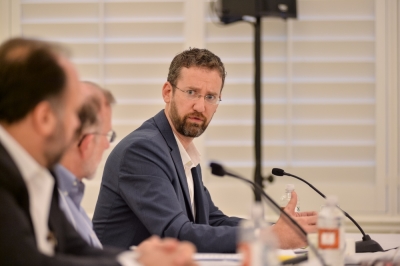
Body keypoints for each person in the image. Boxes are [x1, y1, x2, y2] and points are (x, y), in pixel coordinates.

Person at [93, 48, 318, 253]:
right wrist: (269, 237)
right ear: (167, 92)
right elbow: (177, 234)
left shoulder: (181, 149)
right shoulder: (142, 150)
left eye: (210, 97)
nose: (200, 107)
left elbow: (212, 220)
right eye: (191, 92)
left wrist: (282, 229)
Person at [0, 37, 196, 266]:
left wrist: (138, 258)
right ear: (44, 118)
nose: (78, 127)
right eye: (74, 113)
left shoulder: (39, 173)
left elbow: (74, 248)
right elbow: (28, 261)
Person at [54, 81, 115, 248]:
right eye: (106, 135)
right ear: (87, 142)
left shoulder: (71, 198)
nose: (107, 145)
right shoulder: (50, 202)